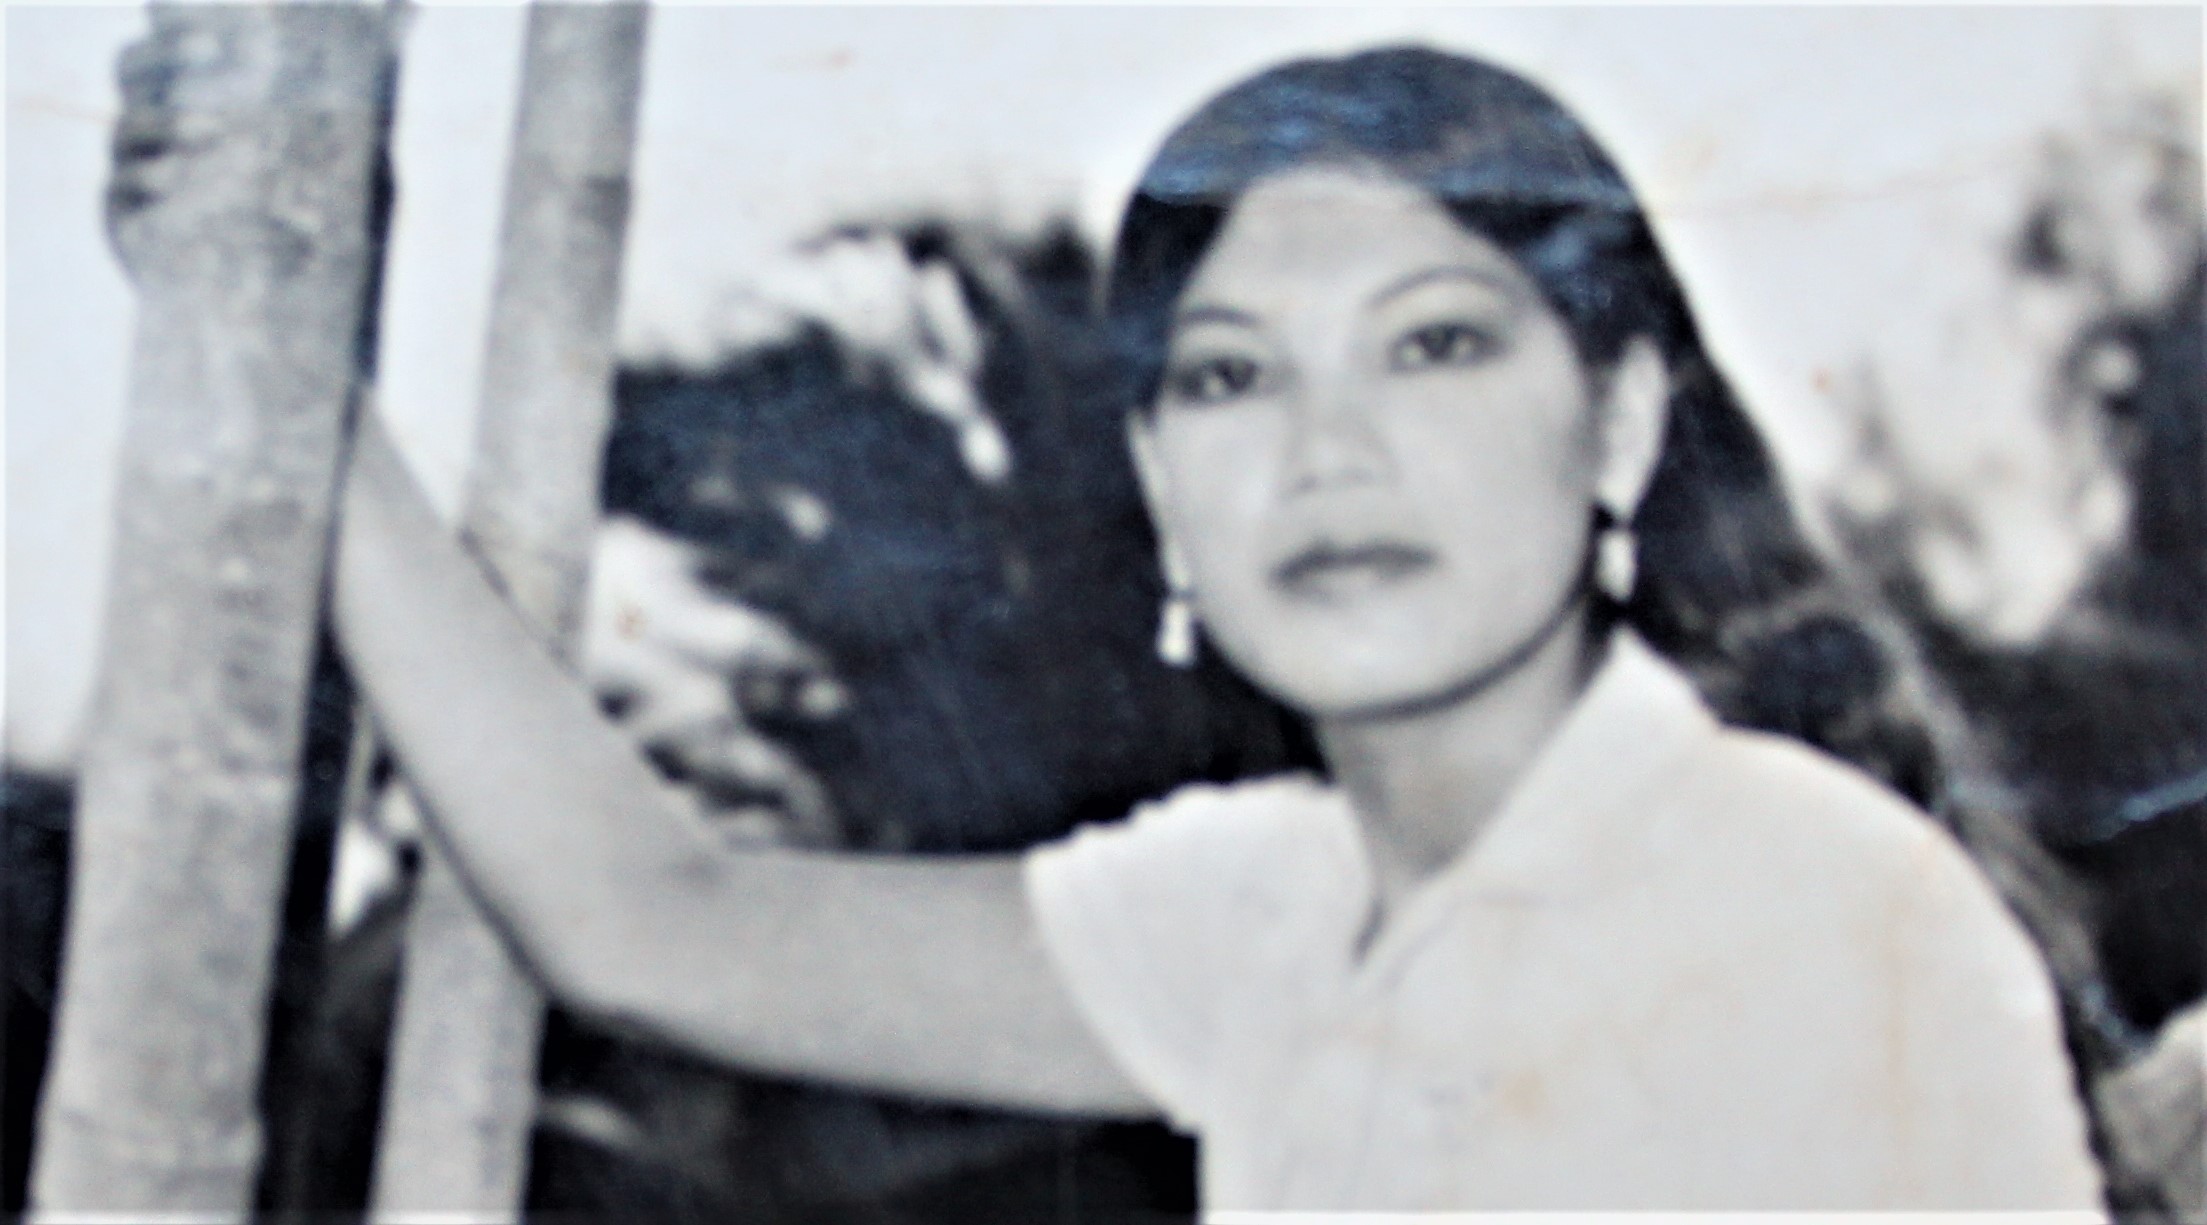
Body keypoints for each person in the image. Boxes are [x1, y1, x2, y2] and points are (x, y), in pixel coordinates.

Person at [332, 46, 2105, 1211]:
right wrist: (301, 407)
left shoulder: (1804, 905)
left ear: (1624, 420)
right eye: (1234, 375)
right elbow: (657, 915)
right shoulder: (1264, 907)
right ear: (1164, 486)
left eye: (1435, 347)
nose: (1328, 450)